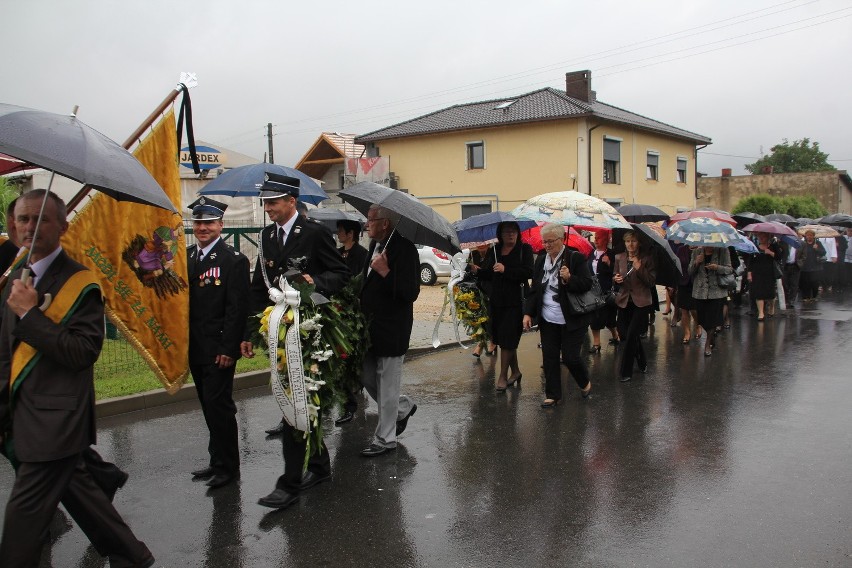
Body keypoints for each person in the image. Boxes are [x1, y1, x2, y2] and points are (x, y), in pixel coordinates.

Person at [0, 190, 154, 567]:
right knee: (78, 490)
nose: (30, 227)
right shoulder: (17, 276)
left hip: (55, 421)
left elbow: (83, 352)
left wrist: (30, 315)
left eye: (41, 219)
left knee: (23, 524)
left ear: (64, 226)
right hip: (19, 411)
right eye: (23, 219)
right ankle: (130, 555)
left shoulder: (80, 282)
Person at [240, 173, 350, 510]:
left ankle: (289, 483)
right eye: (265, 202)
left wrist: (312, 281)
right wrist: (247, 333)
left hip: (310, 328)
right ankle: (318, 466)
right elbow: (260, 287)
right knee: (299, 399)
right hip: (279, 332)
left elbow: (340, 275)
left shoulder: (314, 232)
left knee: (300, 398)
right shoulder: (267, 236)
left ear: (291, 201)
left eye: (273, 201)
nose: (268, 207)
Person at [186, 197, 250, 490]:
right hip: (194, 347)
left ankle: (228, 467)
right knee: (207, 406)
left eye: (209, 223)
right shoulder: (185, 257)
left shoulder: (233, 260)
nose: (202, 228)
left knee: (219, 406)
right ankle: (216, 461)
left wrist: (228, 348)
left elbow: (236, 309)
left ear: (220, 226)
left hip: (218, 349)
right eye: (198, 222)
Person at [358, 205, 420, 457]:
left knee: (387, 382)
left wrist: (385, 271)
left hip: (392, 329)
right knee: (365, 374)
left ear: (385, 223)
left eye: (371, 220)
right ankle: (402, 407)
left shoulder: (405, 249)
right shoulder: (374, 246)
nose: (367, 224)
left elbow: (410, 292)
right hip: (370, 328)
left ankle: (385, 439)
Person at [523, 223, 593, 407]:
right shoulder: (541, 260)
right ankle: (553, 395)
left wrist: (570, 279)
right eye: (544, 242)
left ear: (562, 239)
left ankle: (584, 382)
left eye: (551, 241)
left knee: (570, 357)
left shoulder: (575, 258)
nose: (546, 245)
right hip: (548, 317)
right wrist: (528, 313)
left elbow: (587, 284)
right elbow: (535, 289)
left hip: (571, 317)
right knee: (550, 357)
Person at [475, 221, 534, 392]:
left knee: (508, 339)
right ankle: (515, 372)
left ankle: (502, 376)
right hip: (497, 302)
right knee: (503, 339)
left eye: (514, 231)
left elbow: (529, 272)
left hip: (515, 302)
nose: (511, 234)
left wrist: (506, 269)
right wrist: (477, 270)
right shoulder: (495, 250)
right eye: (507, 231)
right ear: (500, 234)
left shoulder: (525, 249)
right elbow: (490, 274)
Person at [333, 218, 369, 425]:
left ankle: (355, 388)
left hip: (353, 311)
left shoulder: (362, 255)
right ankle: (347, 402)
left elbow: (359, 281)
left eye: (341, 231)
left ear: (351, 234)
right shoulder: (338, 253)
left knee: (351, 356)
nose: (338, 233)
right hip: (337, 310)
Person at [613, 230, 656, 382]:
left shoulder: (646, 259)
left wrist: (640, 268)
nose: (630, 244)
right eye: (627, 241)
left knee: (631, 335)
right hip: (625, 300)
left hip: (641, 302)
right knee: (624, 333)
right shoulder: (619, 257)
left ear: (639, 243)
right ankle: (642, 360)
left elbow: (651, 282)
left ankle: (626, 371)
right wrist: (616, 278)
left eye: (633, 241)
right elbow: (616, 276)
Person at [689, 246, 733, 357]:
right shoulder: (696, 252)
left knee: (713, 319)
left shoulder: (723, 250)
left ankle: (707, 344)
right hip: (700, 291)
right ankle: (711, 336)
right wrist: (696, 262)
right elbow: (689, 271)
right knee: (702, 319)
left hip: (716, 291)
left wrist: (717, 267)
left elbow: (729, 269)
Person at [587, 229, 618, 352]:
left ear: (606, 240)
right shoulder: (591, 254)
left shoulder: (612, 254)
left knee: (610, 318)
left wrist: (610, 263)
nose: (596, 240)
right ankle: (596, 344)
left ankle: (615, 335)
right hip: (593, 292)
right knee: (595, 318)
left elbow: (618, 272)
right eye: (595, 238)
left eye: (599, 238)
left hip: (606, 291)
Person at [465, 243, 495, 357]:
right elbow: (467, 270)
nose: (481, 245)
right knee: (478, 317)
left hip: (490, 289)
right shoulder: (473, 254)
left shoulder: (493, 253)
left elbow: (492, 273)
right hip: (476, 289)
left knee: (490, 317)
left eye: (484, 243)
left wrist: (480, 270)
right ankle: (481, 342)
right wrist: (471, 268)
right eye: (478, 243)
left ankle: (492, 341)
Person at [747, 232, 780, 321]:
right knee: (759, 293)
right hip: (757, 273)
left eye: (763, 236)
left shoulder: (773, 246)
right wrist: (749, 273)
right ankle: (761, 313)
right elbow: (750, 261)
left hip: (770, 273)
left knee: (770, 293)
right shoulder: (754, 247)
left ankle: (771, 307)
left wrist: (771, 253)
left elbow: (779, 257)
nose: (761, 238)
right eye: (759, 236)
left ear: (768, 237)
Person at [798, 230, 826, 301]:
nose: (809, 237)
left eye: (810, 235)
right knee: (805, 282)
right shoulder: (803, 243)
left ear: (813, 236)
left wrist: (817, 249)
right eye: (807, 235)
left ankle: (814, 296)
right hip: (805, 266)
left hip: (815, 267)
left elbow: (823, 252)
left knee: (814, 282)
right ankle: (806, 297)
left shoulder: (817, 243)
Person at [780, 236, 802, 308]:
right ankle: (786, 299)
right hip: (785, 266)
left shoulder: (801, 244)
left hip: (795, 266)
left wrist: (800, 263)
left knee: (794, 284)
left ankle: (792, 300)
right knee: (785, 284)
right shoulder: (783, 243)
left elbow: (804, 255)